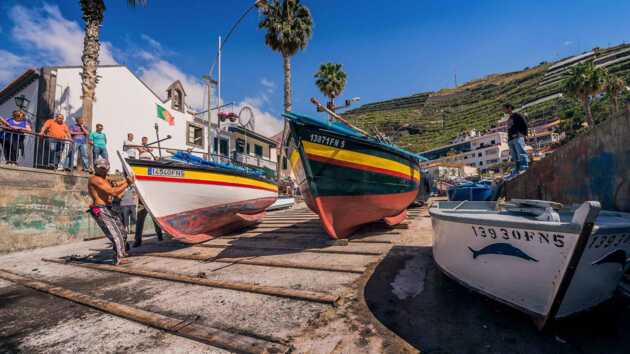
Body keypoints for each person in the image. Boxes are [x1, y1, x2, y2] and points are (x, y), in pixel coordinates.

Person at [88, 158, 134, 265]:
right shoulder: (95, 179)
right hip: (100, 209)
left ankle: (120, 252)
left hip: (109, 208)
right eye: (100, 168)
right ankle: (119, 259)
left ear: (108, 167)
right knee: (115, 235)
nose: (102, 170)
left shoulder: (106, 179)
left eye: (104, 168)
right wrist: (127, 182)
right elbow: (112, 192)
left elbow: (115, 186)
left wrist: (128, 179)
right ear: (95, 168)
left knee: (122, 232)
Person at [503, 103, 529, 175]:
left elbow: (525, 124)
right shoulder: (509, 118)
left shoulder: (517, 115)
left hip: (518, 137)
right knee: (514, 156)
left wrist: (525, 135)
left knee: (521, 153)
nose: (503, 110)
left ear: (510, 108)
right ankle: (517, 169)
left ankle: (524, 167)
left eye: (504, 108)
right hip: (511, 139)